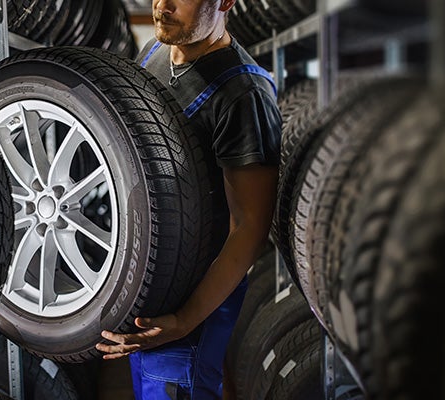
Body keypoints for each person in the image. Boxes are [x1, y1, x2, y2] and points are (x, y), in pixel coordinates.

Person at [95, 1, 282, 399]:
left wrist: (185, 318)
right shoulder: (156, 53)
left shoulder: (243, 95)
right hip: (148, 286)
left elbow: (249, 227)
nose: (163, 5)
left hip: (190, 305)